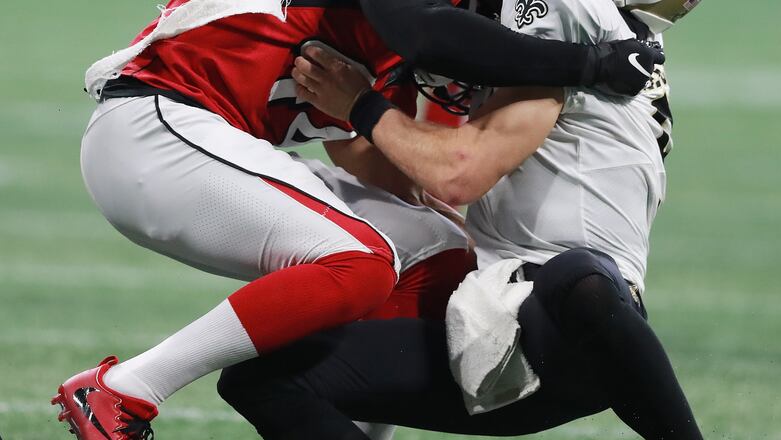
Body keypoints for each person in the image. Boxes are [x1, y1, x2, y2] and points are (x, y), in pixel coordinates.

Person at [51, 0, 665, 437]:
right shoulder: (419, 20)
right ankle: (126, 389)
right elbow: (425, 31)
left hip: (200, 137)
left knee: (442, 257)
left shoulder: (391, 34)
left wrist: (407, 153)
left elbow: (377, 157)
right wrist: (589, 65)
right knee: (359, 261)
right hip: (157, 123)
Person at [217, 0, 704, 438]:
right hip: (492, 333)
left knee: (574, 274)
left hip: (575, 330)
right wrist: (336, 103)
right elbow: (394, 168)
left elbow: (457, 173)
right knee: (260, 380)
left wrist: (362, 104)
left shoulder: (575, 13)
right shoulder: (616, 38)